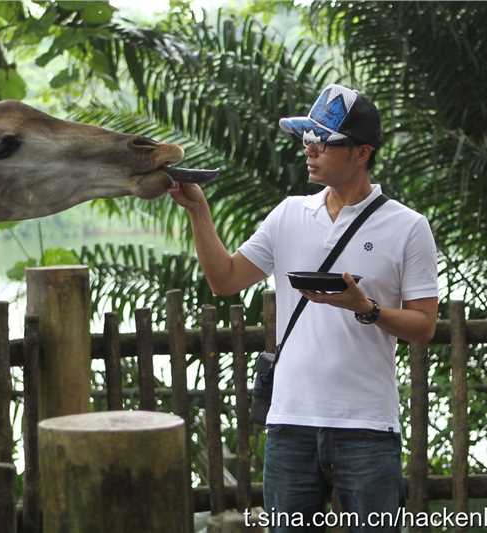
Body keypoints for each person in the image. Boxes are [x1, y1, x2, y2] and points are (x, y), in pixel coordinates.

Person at [169, 83, 439, 532]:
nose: (310, 150)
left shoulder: (409, 227)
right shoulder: (288, 214)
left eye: (323, 141)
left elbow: (424, 326)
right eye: (306, 139)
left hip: (368, 427)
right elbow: (225, 279)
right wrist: (199, 212)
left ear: (361, 152)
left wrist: (365, 308)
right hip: (289, 423)